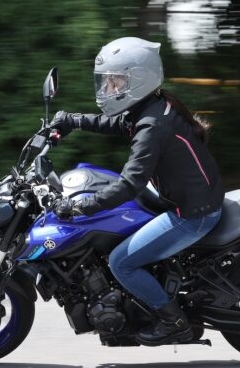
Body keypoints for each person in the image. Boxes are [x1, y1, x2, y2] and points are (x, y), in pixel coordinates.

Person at [50, 37, 224, 346]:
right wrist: (73, 121)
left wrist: (80, 207)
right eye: (107, 81)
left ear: (138, 79)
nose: (109, 88)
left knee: (121, 262)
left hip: (192, 215)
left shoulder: (153, 125)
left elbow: (129, 184)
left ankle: (174, 322)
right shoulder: (152, 108)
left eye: (115, 81)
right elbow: (118, 124)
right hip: (185, 198)